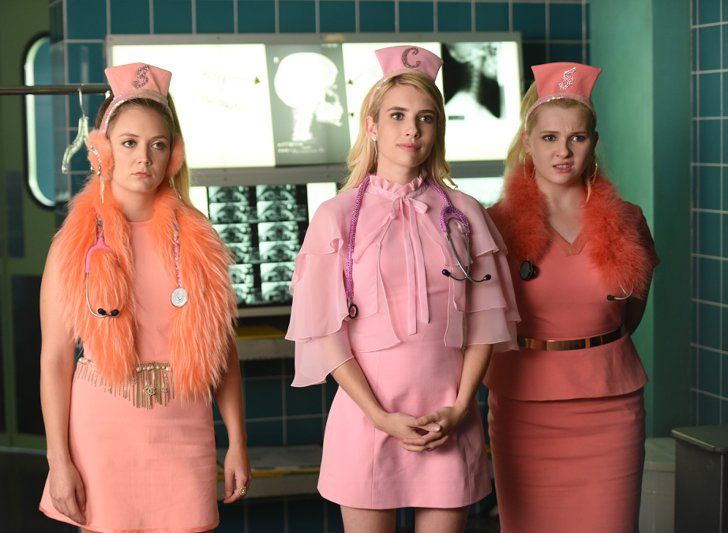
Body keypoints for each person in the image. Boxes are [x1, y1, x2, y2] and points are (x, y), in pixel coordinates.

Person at [285, 45, 519, 533]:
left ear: (438, 129)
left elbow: (485, 324)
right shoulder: (336, 217)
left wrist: (458, 409)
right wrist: (379, 416)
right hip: (369, 417)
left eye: (425, 118)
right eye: (397, 115)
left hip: (446, 418)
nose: (411, 130)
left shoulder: (465, 213)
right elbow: (327, 336)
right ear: (372, 124)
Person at [38, 63, 250, 532]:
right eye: (129, 143)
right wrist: (58, 460)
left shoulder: (199, 241)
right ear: (105, 149)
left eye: (158, 145)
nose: (144, 159)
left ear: (173, 155)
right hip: (102, 435)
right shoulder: (72, 244)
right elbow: (55, 359)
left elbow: (223, 351)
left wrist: (237, 440)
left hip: (184, 427)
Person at [485, 62, 660, 533]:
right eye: (549, 138)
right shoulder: (492, 224)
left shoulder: (628, 219)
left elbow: (630, 311)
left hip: (610, 408)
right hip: (524, 405)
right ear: (528, 143)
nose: (563, 151)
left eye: (577, 138)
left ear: (593, 143)